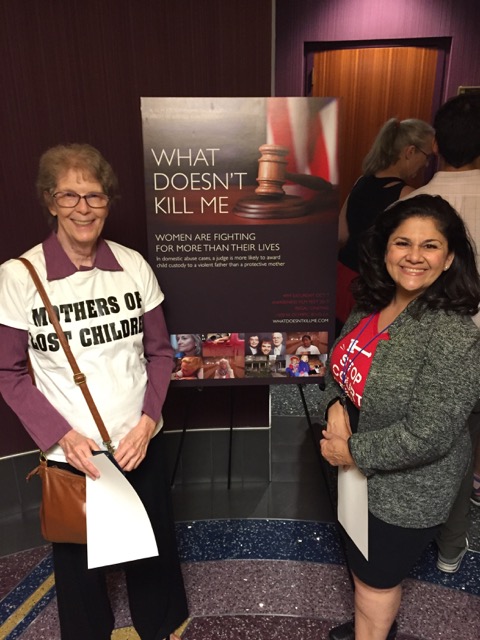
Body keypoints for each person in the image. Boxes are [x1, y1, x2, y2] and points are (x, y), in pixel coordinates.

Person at [0, 144, 188, 640]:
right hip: (73, 456)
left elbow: (160, 354)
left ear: (108, 202)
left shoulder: (132, 265)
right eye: (70, 195)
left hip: (137, 443)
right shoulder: (19, 276)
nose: (83, 208)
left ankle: (159, 628)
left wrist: (147, 423)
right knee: (79, 568)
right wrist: (62, 437)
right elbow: (8, 371)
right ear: (50, 201)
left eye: (95, 196)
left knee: (151, 553)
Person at [319, 195, 480, 640]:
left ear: (449, 259)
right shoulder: (371, 303)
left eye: (430, 246)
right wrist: (335, 405)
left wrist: (351, 451)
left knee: (376, 580)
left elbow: (428, 435)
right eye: (403, 242)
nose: (414, 256)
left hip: (406, 489)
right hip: (356, 471)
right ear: (385, 249)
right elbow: (339, 369)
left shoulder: (453, 335)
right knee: (362, 566)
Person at [402, 93, 480, 572]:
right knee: (465, 442)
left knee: (429, 440)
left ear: (434, 144)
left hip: (424, 347)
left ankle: (409, 540)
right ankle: (452, 545)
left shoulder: (410, 204)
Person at [336, 118, 435, 330]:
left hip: (342, 276)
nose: (426, 164)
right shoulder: (407, 195)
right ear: (410, 151)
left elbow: (341, 234)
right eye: (426, 156)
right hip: (371, 285)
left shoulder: (361, 181)